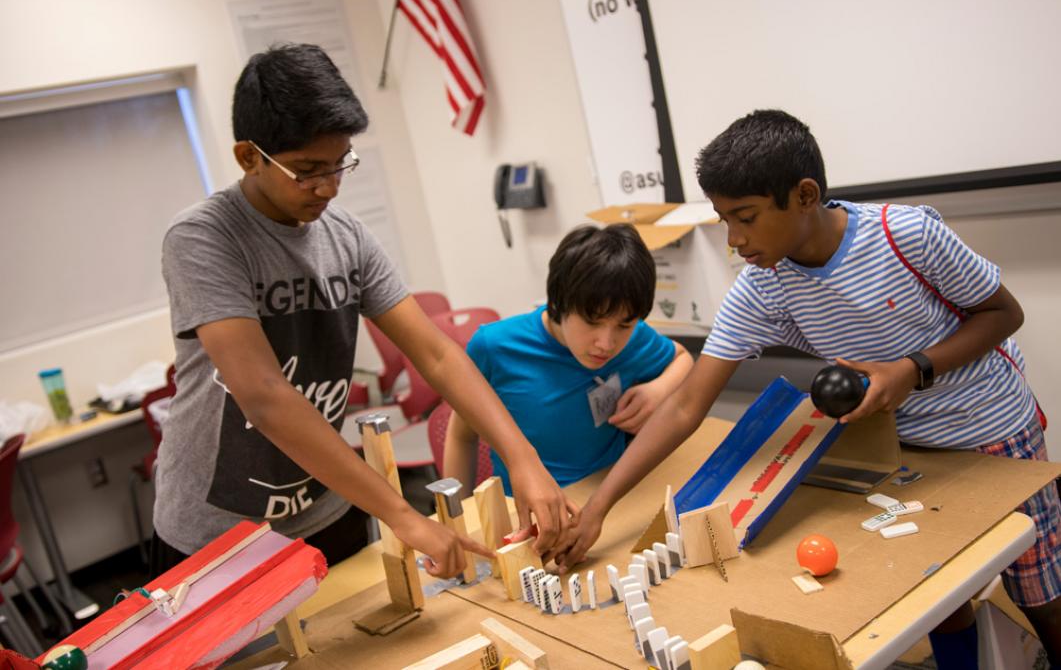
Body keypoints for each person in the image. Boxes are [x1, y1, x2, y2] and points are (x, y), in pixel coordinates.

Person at [556, 109, 1059, 666]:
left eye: (744, 217)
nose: (734, 240)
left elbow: (1002, 313)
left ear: (804, 194)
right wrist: (599, 507)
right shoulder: (764, 287)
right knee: (937, 587)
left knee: (1038, 590)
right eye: (724, 219)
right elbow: (683, 406)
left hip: (989, 430)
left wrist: (910, 369)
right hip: (905, 451)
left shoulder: (906, 235)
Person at [154, 43, 571, 579]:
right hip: (219, 535)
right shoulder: (203, 238)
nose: (328, 187)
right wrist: (403, 514)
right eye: (307, 171)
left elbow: (437, 355)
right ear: (249, 157)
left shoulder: (345, 236)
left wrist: (523, 458)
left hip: (327, 506)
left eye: (339, 165)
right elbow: (264, 397)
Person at [444, 223, 693, 496]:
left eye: (624, 326)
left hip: (612, 496)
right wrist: (459, 520)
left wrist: (658, 390)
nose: (606, 343)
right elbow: (461, 436)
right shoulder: (494, 347)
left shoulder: (634, 338)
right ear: (560, 302)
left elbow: (682, 359)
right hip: (529, 512)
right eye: (591, 321)